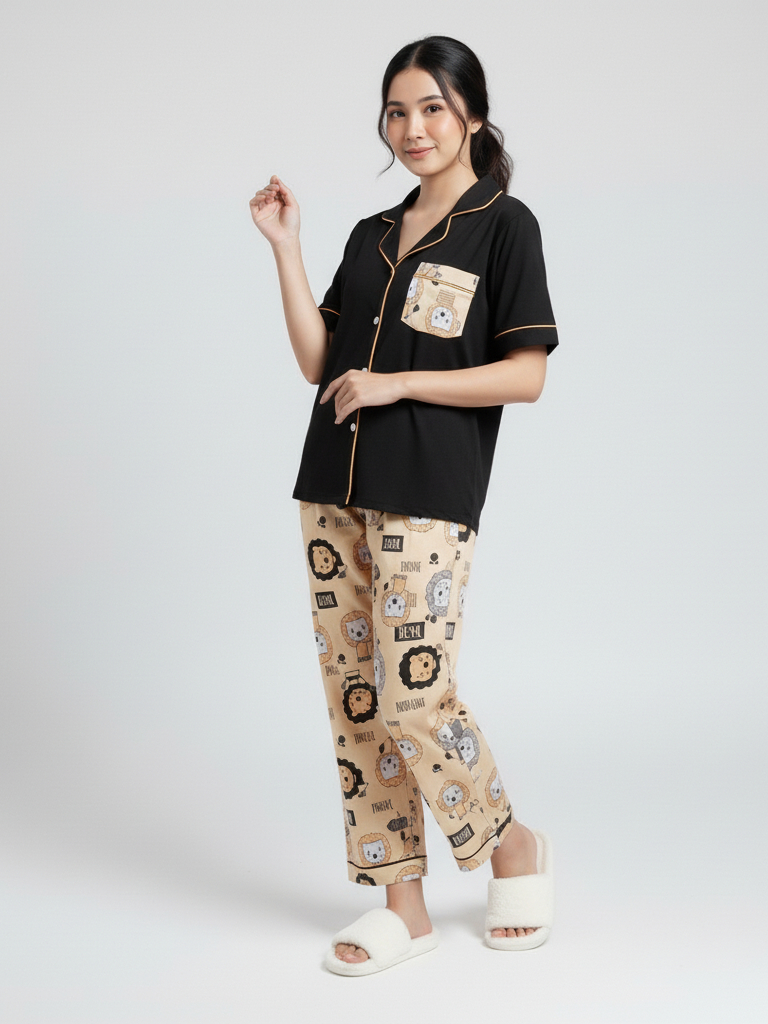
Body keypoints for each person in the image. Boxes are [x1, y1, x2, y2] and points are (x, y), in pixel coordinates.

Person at [249, 35, 558, 975]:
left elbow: (526, 374)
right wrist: (287, 249)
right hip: (331, 490)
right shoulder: (371, 235)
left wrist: (400, 384)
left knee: (414, 698)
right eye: (397, 111)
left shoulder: (505, 226)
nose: (413, 128)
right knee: (357, 705)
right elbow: (318, 361)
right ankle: (404, 905)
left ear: (471, 115)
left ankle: (510, 844)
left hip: (427, 494)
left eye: (432, 108)